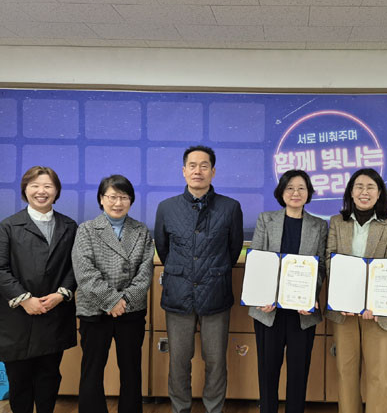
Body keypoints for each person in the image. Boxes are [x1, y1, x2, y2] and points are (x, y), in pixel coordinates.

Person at [154, 145, 244, 413]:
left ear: (213, 172)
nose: (198, 171)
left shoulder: (230, 208)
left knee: (215, 360)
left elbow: (233, 250)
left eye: (204, 166)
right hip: (178, 293)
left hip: (215, 293)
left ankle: (213, 408)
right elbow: (163, 249)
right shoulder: (166, 208)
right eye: (192, 166)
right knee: (179, 360)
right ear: (183, 171)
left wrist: (212, 271)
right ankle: (180, 408)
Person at [72, 175, 154, 413]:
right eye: (112, 197)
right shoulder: (86, 229)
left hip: (130, 311)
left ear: (131, 200)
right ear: (101, 199)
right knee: (92, 370)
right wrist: (110, 301)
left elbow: (145, 272)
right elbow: (85, 272)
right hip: (95, 310)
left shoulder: (141, 230)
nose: (118, 203)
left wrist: (124, 301)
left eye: (124, 197)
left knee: (131, 371)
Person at [249, 169, 328, 413]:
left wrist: (311, 296)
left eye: (301, 188)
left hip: (302, 314)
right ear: (281, 192)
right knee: (267, 372)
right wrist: (262, 295)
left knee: (298, 373)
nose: (296, 193)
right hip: (268, 311)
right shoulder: (266, 220)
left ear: (309, 193)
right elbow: (257, 260)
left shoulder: (319, 225)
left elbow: (320, 267)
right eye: (290, 188)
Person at [0, 166, 77, 413]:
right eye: (34, 186)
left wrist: (61, 294)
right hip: (17, 317)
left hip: (54, 313)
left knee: (49, 377)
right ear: (25, 190)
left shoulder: (69, 226)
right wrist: (24, 299)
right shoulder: (8, 226)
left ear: (56, 191)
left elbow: (76, 267)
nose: (41, 191)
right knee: (19, 380)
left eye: (47, 186)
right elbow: (1, 268)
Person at [325, 168, 387, 413]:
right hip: (344, 311)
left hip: (378, 313)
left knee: (381, 376)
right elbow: (330, 260)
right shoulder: (337, 222)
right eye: (359, 186)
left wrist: (374, 303)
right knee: (346, 373)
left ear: (379, 193)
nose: (364, 192)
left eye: (370, 187)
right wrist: (346, 299)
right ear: (351, 192)